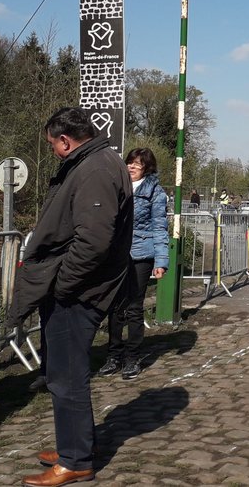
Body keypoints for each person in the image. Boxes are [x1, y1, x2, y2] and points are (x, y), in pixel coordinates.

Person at [9, 107, 133, 487]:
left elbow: (93, 242)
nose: (52, 152)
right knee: (65, 372)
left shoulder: (95, 168)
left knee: (66, 376)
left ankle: (76, 458)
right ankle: (75, 444)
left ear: (66, 140)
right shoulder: (97, 162)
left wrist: (62, 286)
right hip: (80, 287)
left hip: (79, 291)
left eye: (52, 145)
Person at [97, 148, 169, 380]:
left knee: (134, 308)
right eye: (129, 162)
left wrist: (161, 261)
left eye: (137, 164)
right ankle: (113, 355)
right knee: (115, 307)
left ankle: (132, 357)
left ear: (147, 168)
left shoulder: (155, 193)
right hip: (117, 254)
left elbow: (159, 228)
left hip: (141, 254)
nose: (131, 167)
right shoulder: (117, 187)